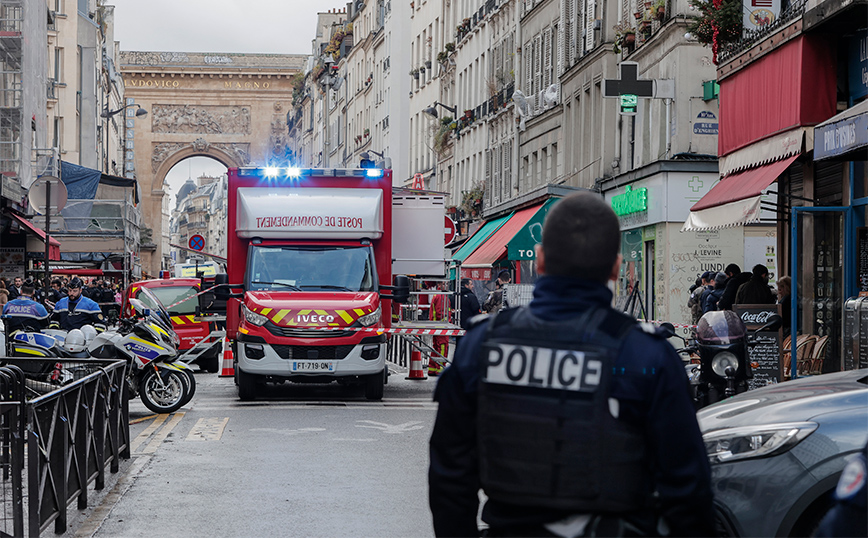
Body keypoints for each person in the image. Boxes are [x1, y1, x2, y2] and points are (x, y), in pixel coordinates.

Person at [429, 193, 714, 537]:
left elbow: (450, 477)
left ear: (541, 261)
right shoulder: (648, 356)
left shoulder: (482, 346)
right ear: (615, 268)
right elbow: (688, 491)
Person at [429, 282, 451, 376]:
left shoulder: (437, 295)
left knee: (436, 348)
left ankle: (432, 368)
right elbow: (440, 312)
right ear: (439, 285)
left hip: (436, 325)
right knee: (442, 347)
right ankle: (440, 369)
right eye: (444, 284)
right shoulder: (442, 296)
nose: (446, 285)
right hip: (442, 326)